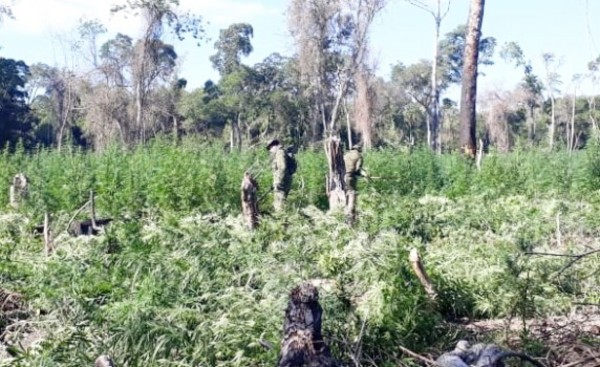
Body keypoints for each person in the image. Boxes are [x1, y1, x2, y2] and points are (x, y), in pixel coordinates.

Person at [267, 139, 294, 212]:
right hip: (284, 181)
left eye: (270, 148)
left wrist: (279, 182)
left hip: (281, 182)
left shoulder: (279, 153)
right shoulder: (281, 152)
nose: (270, 151)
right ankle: (282, 219)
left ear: (274, 146)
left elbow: (282, 167)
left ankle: (280, 219)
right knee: (281, 202)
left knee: (279, 204)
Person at [343, 143, 368, 224]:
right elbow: (357, 168)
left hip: (342, 177)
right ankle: (350, 217)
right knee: (352, 194)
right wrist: (361, 175)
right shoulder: (359, 156)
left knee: (345, 195)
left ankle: (343, 214)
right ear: (359, 150)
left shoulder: (346, 155)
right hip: (351, 177)